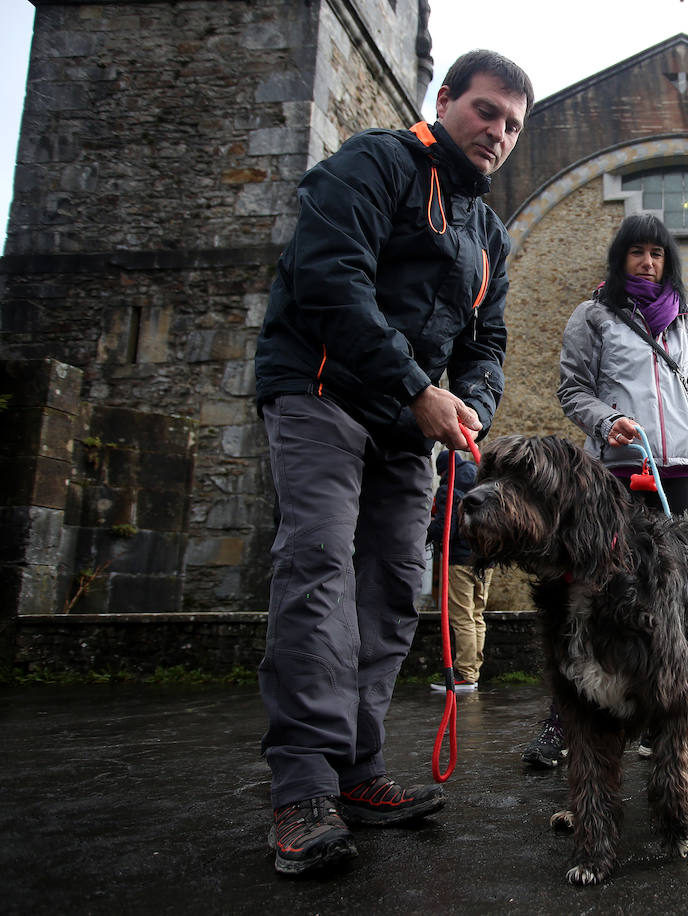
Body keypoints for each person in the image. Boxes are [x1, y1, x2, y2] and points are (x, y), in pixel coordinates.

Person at [253, 50, 533, 876]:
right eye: (486, 111)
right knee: (317, 572)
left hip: (410, 429)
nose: (498, 133)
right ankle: (302, 788)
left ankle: (357, 771)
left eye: (513, 125)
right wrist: (415, 385)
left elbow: (488, 344)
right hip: (318, 392)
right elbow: (328, 278)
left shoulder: (490, 238)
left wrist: (473, 402)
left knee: (390, 589)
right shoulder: (375, 163)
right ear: (445, 100)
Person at [521, 213, 688, 767]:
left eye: (657, 254)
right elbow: (573, 389)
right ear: (620, 258)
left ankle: (675, 720)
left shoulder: (686, 324)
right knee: (591, 588)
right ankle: (565, 722)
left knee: (673, 594)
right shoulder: (593, 317)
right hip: (613, 471)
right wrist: (609, 422)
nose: (648, 262)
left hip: (677, 471)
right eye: (638, 253)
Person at [428, 451, 489, 691]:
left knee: (462, 616)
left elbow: (446, 525)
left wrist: (427, 537)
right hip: (486, 560)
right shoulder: (481, 478)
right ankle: (474, 671)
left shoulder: (449, 487)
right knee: (477, 615)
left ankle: (464, 674)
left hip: (460, 559)